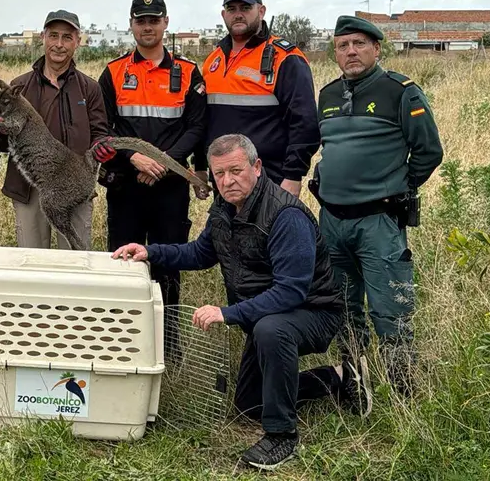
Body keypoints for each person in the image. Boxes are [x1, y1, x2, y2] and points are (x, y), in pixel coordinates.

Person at [112, 134, 369, 471]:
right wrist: (150, 251)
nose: (227, 181)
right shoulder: (224, 208)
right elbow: (201, 253)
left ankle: (282, 437)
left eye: (236, 171)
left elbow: (291, 292)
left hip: (314, 311)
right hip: (267, 314)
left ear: (256, 167)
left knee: (271, 331)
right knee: (250, 405)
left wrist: (227, 313)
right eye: (219, 174)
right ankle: (340, 377)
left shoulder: (285, 215)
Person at [311, 15, 444, 396]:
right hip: (332, 220)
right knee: (343, 307)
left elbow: (429, 152)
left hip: (378, 222)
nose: (351, 51)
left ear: (376, 48)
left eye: (359, 44)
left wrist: (396, 188)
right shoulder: (328, 95)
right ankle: (356, 382)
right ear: (335, 52)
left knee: (390, 310)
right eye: (343, 45)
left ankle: (403, 391)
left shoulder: (401, 92)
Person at [97, 0, 207, 358]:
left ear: (165, 23)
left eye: (154, 20)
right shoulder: (113, 72)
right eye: (141, 20)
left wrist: (162, 163)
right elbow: (103, 127)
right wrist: (133, 157)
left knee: (167, 265)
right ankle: (121, 343)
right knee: (122, 264)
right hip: (126, 186)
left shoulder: (188, 72)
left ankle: (167, 345)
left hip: (170, 188)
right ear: (131, 25)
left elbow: (196, 127)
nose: (148, 27)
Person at [197, 0, 319, 196]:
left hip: (268, 180)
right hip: (225, 180)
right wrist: (200, 164)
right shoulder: (213, 60)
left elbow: (305, 123)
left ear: (261, 11)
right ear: (224, 14)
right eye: (232, 9)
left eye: (245, 8)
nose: (238, 14)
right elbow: (203, 120)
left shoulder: (285, 58)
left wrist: (293, 175)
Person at [2, 9, 111, 249]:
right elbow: (2, 138)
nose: (59, 44)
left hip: (73, 186)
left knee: (75, 259)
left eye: (67, 37)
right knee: (31, 259)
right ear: (43, 37)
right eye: (53, 36)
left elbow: (100, 132)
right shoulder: (19, 86)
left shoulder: (89, 88)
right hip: (29, 187)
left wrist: (100, 148)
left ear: (78, 42)